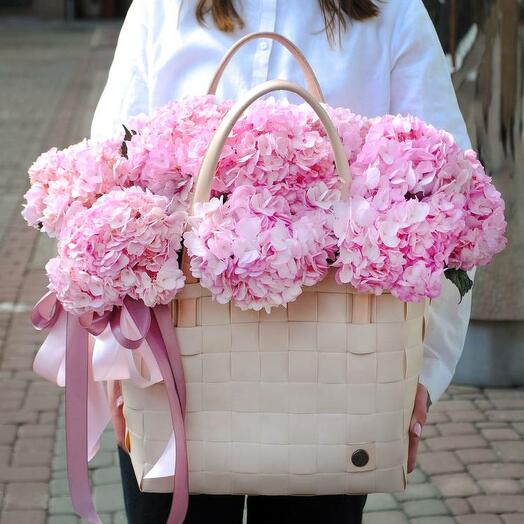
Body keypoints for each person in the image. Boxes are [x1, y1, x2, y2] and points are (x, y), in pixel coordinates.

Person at [91, 1, 474, 522]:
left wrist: (421, 375)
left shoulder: (393, 12)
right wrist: (111, 362)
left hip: (337, 383)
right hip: (171, 379)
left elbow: (450, 202)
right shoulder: (162, 9)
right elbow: (106, 185)